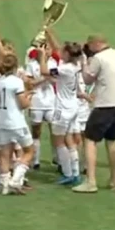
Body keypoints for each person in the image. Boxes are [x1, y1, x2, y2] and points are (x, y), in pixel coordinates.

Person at [73, 35, 115, 193]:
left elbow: (87, 79)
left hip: (104, 105)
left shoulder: (98, 58)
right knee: (111, 142)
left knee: (90, 140)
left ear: (96, 44)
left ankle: (91, 181)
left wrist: (84, 64)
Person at [39, 41, 83, 186]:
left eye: (63, 51)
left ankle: (68, 174)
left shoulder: (65, 68)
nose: (60, 53)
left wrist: (42, 57)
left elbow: (44, 71)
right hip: (73, 107)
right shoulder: (77, 65)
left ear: (68, 54)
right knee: (69, 140)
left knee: (58, 141)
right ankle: (75, 173)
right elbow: (56, 78)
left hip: (62, 109)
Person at [0, 53, 35, 194]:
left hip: (1, 121)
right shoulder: (16, 82)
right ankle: (16, 180)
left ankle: (5, 186)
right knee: (29, 151)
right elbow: (23, 104)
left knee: (5, 153)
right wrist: (29, 97)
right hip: (15, 121)